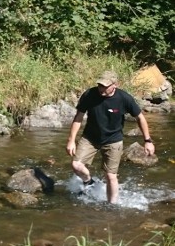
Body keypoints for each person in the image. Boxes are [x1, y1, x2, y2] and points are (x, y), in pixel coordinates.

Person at [66, 71, 155, 203]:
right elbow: (78, 117)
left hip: (114, 140)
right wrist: (71, 140)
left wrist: (148, 140)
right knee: (76, 165)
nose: (101, 89)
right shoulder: (89, 95)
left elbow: (140, 118)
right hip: (90, 137)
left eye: (105, 86)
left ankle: (112, 205)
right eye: (100, 85)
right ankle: (89, 181)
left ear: (115, 85)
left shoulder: (124, 98)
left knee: (110, 176)